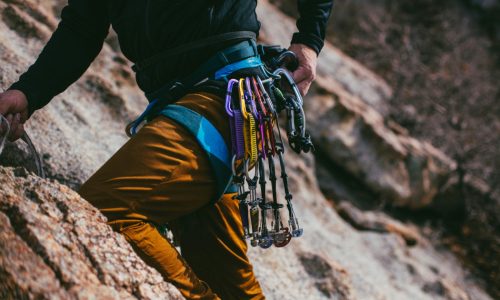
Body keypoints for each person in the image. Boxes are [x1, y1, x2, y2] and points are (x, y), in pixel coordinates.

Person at [0, 1, 334, 299]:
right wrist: (28, 93)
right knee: (233, 289)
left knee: (108, 208)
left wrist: (309, 41)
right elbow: (82, 28)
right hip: (193, 110)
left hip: (225, 98)